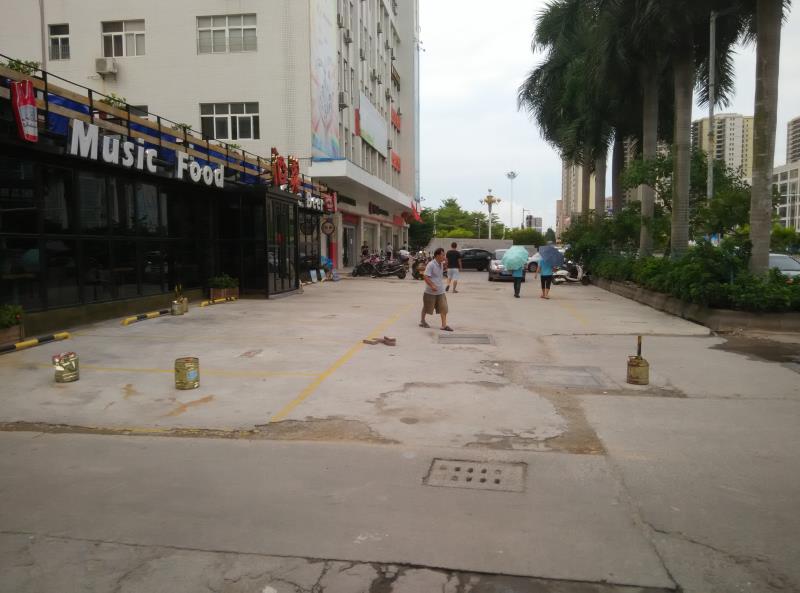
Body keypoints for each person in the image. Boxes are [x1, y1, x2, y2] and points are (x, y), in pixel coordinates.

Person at [420, 247, 452, 331]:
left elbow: (444, 267)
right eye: (443, 255)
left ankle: (444, 325)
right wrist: (432, 285)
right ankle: (422, 321)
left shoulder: (440, 263)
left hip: (440, 291)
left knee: (444, 308)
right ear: (437, 255)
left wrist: (446, 261)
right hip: (430, 291)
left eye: (444, 255)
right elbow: (425, 276)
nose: (444, 256)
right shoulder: (431, 264)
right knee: (426, 307)